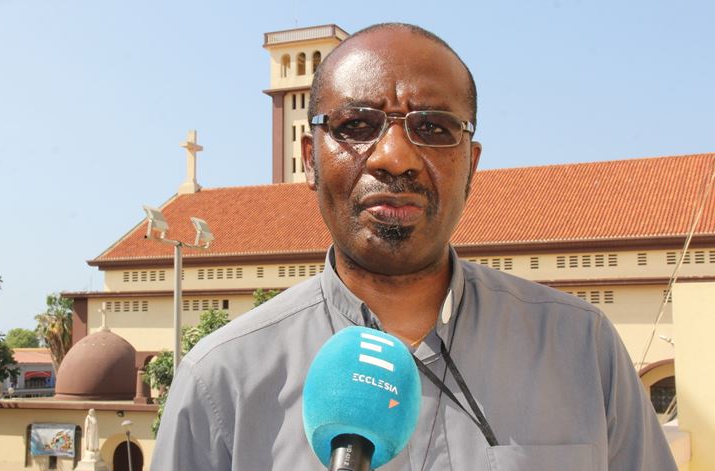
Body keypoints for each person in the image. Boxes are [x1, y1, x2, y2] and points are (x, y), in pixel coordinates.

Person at [150, 23, 676, 470]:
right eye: (356, 125)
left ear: (470, 165)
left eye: (432, 128)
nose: (394, 156)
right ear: (310, 159)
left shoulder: (582, 352)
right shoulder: (222, 382)